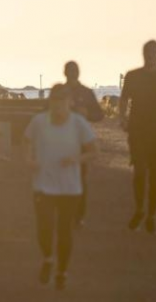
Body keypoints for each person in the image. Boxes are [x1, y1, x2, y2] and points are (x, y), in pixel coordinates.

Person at [24, 84, 98, 290]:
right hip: (43, 184)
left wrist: (76, 158)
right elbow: (27, 141)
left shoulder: (78, 124)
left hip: (69, 187)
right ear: (50, 102)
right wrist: (29, 159)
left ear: (69, 103)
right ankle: (48, 258)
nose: (58, 107)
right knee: (44, 228)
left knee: (64, 231)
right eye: (54, 102)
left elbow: (93, 151)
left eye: (62, 103)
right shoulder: (39, 122)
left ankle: (61, 272)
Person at [119, 40, 156, 234]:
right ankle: (139, 209)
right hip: (137, 130)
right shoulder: (133, 76)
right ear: (143, 54)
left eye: (154, 52)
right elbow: (124, 98)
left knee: (155, 176)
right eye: (148, 52)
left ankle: (151, 215)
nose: (151, 55)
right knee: (139, 171)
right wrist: (122, 118)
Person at [63, 61, 104, 226]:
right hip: (60, 139)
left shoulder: (86, 93)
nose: (72, 74)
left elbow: (99, 115)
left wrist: (86, 113)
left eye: (74, 71)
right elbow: (46, 111)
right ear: (65, 73)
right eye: (70, 71)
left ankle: (78, 215)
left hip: (80, 140)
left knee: (79, 177)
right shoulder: (60, 92)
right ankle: (66, 213)